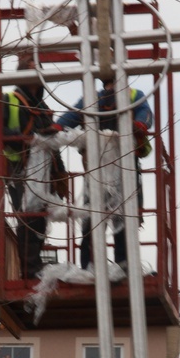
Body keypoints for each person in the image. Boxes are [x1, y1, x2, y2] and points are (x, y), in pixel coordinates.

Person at [56, 79, 153, 271]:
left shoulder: (132, 97)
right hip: (101, 169)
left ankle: (119, 265)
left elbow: (145, 116)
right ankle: (94, 266)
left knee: (120, 217)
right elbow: (68, 119)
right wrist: (58, 128)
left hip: (121, 168)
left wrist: (138, 125)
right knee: (97, 218)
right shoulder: (92, 100)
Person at [0, 55, 68, 279]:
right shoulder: (9, 100)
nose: (36, 71)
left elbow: (52, 144)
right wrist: (26, 139)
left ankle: (35, 265)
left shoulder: (43, 108)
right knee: (29, 216)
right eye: (31, 68)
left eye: (38, 68)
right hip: (19, 170)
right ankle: (29, 269)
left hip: (43, 172)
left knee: (40, 218)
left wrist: (60, 172)